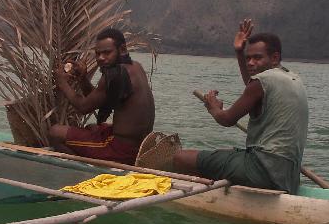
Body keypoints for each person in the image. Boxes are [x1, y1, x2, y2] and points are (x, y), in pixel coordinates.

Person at [173, 19, 308, 193]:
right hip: (288, 173)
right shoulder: (293, 79)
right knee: (226, 152)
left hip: (263, 169)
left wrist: (213, 107)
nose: (250, 62)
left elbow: (227, 119)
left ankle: (196, 197)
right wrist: (239, 52)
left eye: (257, 58)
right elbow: (253, 88)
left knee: (180, 158)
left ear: (274, 58)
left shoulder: (262, 82)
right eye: (248, 58)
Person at [50, 28, 155, 165]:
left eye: (107, 53)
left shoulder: (115, 74)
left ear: (122, 49)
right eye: (98, 53)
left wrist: (62, 83)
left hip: (122, 150)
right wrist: (83, 79)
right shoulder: (135, 67)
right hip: (140, 146)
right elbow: (99, 101)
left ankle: (83, 170)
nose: (101, 58)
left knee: (55, 132)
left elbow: (83, 107)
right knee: (91, 127)